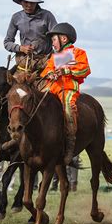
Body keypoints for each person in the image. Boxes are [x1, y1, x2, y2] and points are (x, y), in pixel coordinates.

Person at [40, 22, 91, 166]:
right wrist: (50, 74)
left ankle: (70, 145)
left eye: (54, 40)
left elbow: (85, 69)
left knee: (68, 108)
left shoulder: (78, 53)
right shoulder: (54, 56)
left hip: (68, 89)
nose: (52, 43)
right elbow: (47, 70)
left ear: (63, 39)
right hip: (51, 88)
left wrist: (66, 71)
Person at [4, 0, 57, 75]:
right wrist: (21, 48)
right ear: (21, 2)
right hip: (24, 63)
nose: (29, 5)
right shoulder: (16, 17)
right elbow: (7, 42)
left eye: (32, 3)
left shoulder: (47, 16)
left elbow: (57, 38)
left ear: (36, 3)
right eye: (26, 2)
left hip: (47, 61)